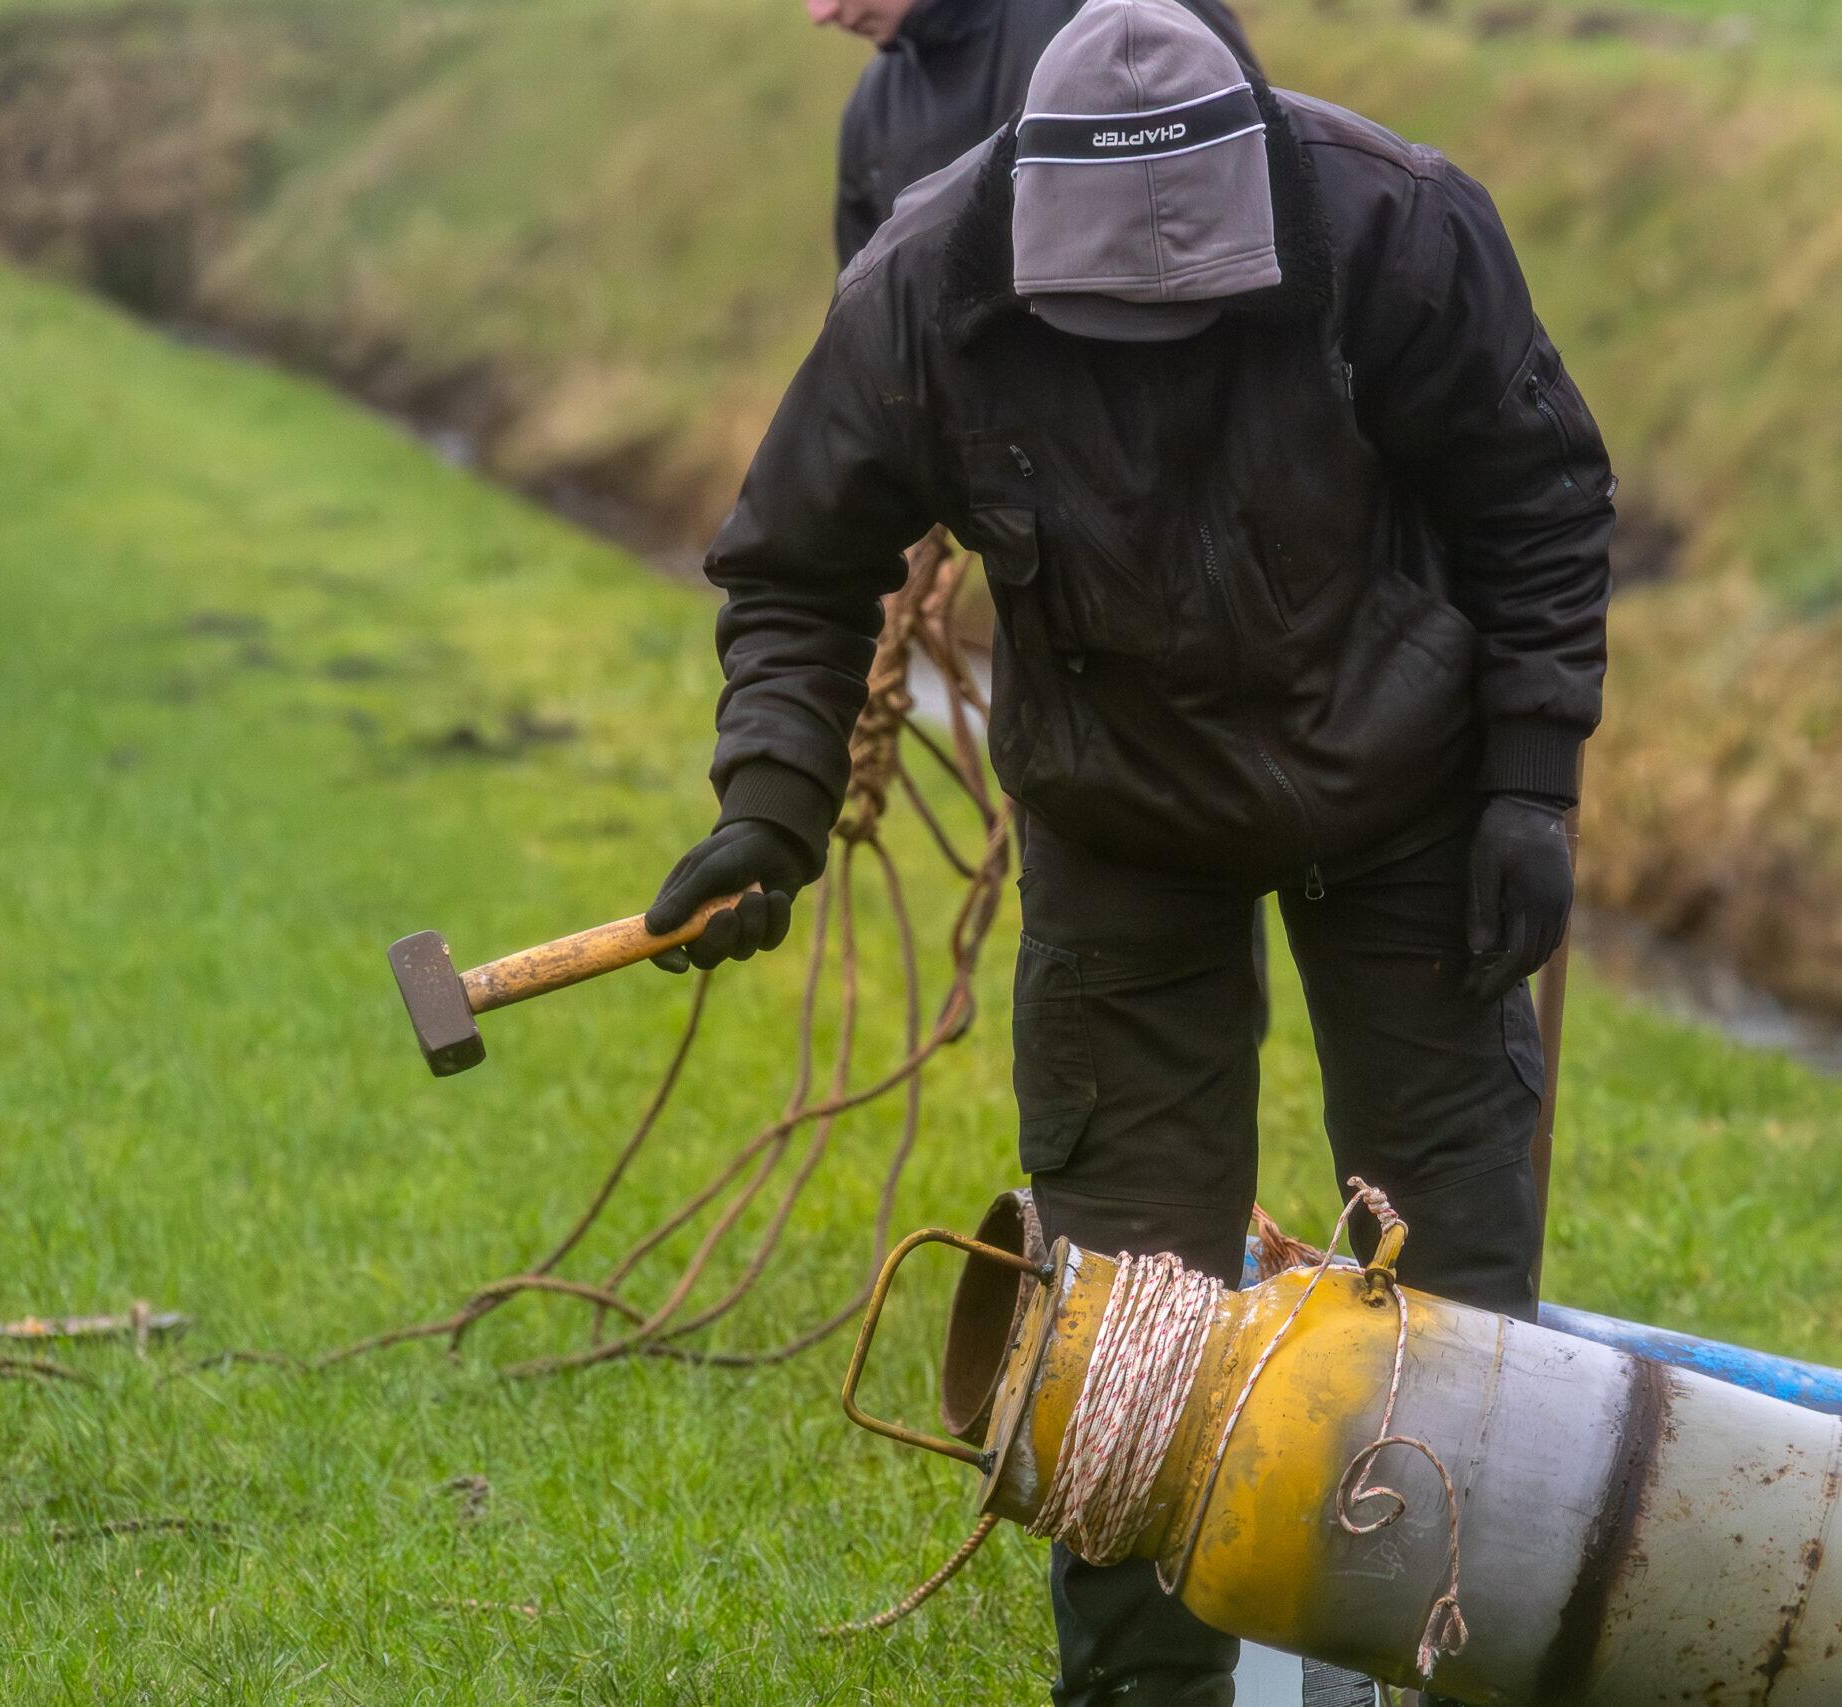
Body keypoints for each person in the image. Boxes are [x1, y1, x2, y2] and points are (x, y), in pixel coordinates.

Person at [647, 0, 1614, 1696]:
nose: (1152, 352)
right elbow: (798, 565)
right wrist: (769, 809)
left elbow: (1537, 497)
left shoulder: (1395, 227)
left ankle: (1435, 1669)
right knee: (1125, 1314)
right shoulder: (924, 289)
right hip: (1118, 815)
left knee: (1454, 1263)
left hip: (1407, 791)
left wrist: (1531, 788)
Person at [811, 0, 1257, 265]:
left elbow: (1268, 211)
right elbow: (865, 349)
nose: (820, 12)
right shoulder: (872, 110)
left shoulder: (1136, 19)